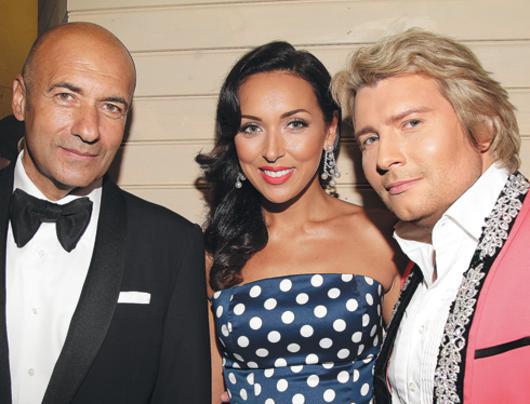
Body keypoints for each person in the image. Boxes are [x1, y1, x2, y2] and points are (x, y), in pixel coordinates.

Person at [0, 22, 210, 404]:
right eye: (66, 96)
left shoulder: (172, 247)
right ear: (20, 98)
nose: (89, 129)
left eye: (111, 107)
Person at [197, 41, 401, 404]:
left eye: (295, 124)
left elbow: (412, 381)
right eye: (251, 128)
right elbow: (209, 393)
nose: (272, 151)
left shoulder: (383, 236)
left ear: (329, 130)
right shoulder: (213, 250)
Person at [333, 28, 530, 403]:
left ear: (482, 127)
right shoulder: (418, 261)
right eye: (370, 139)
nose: (384, 158)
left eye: (411, 123)